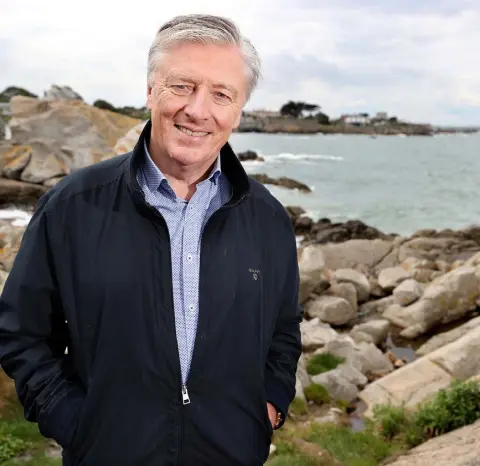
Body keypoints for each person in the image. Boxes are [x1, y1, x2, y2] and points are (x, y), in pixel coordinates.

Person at [0, 14, 302, 466]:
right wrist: (75, 423)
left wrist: (268, 408)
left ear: (238, 111)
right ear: (150, 91)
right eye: (182, 86)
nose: (198, 110)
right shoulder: (72, 205)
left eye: (221, 94)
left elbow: (283, 329)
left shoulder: (268, 219)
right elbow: (20, 333)